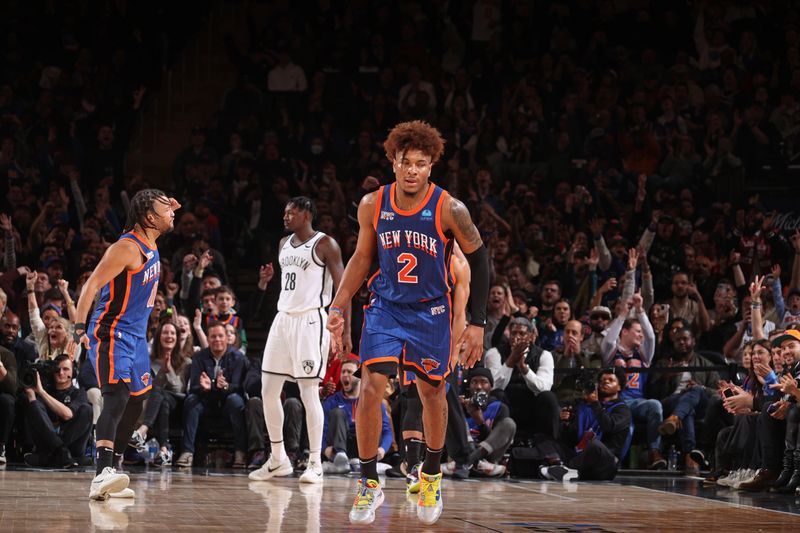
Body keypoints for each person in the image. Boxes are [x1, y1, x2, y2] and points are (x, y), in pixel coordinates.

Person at [326, 120, 489, 525]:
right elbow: (362, 258)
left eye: (420, 162)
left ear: (432, 165)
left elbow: (481, 259)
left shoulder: (450, 208)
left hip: (432, 311)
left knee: (433, 393)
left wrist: (476, 323)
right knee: (370, 389)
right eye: (405, 162)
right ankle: (368, 484)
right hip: (385, 307)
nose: (412, 169)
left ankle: (431, 474)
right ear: (393, 163)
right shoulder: (372, 204)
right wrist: (339, 303)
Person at [73, 189, 179, 500]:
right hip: (111, 332)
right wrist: (79, 327)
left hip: (135, 336)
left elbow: (165, 211)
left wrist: (165, 204)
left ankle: (115, 465)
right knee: (116, 395)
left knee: (139, 396)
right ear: (148, 217)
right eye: (166, 208)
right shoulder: (125, 248)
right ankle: (101, 473)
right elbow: (92, 284)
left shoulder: (150, 239)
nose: (173, 211)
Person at [250, 196, 348, 485]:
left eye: (291, 212)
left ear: (306, 214)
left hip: (311, 320)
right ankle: (278, 459)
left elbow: (343, 290)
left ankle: (315, 462)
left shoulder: (325, 244)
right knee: (268, 389)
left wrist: (344, 332)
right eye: (284, 212)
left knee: (308, 392)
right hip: (283, 318)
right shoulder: (282, 244)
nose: (285, 216)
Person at [176, 321, 248, 468]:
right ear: (207, 339)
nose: (217, 339)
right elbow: (194, 387)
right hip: (206, 401)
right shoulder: (199, 358)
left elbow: (240, 387)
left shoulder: (238, 358)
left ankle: (240, 453)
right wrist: (205, 388)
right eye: (213, 336)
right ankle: (187, 452)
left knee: (236, 401)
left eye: (220, 336)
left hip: (228, 402)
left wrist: (226, 386)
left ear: (227, 338)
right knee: (191, 400)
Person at [321, 358, 392, 473]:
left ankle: (366, 461)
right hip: (341, 446)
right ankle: (341, 457)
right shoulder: (332, 401)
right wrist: (324, 448)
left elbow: (386, 430)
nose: (344, 375)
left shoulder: (372, 400)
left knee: (372, 412)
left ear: (360, 376)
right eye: (342, 372)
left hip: (365, 444)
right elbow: (323, 428)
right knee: (337, 413)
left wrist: (383, 449)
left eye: (349, 372)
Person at [21, 354, 93, 468]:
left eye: (66, 369)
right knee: (34, 405)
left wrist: (41, 392)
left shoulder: (79, 393)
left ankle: (49, 458)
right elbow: (36, 414)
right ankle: (62, 455)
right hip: (49, 444)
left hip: (72, 446)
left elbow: (67, 415)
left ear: (73, 372)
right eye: (57, 369)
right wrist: (32, 393)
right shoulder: (45, 390)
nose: (61, 373)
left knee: (87, 410)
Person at [0, 344, 17, 464]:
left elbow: (13, 387)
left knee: (8, 401)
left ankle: (1, 446)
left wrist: (0, 366)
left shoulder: (6, 355)